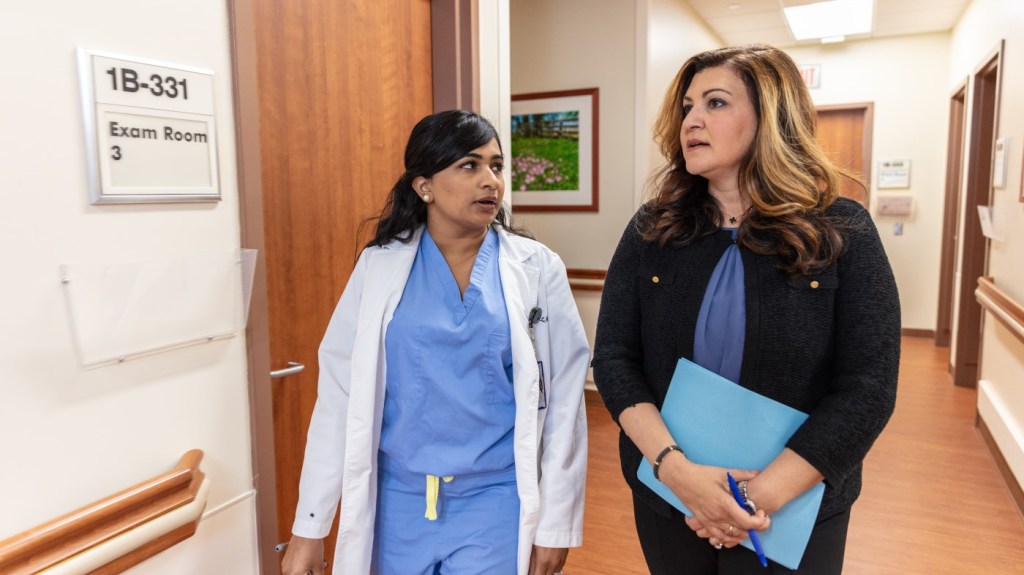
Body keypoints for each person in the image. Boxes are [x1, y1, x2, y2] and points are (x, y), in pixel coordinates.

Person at [592, 44, 900, 574]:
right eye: (687, 106)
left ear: (771, 118)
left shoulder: (841, 231)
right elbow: (616, 360)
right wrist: (677, 472)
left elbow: (867, 388)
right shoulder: (653, 230)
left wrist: (755, 499)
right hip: (673, 497)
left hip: (795, 505)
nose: (691, 120)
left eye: (714, 103)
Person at [279, 109, 590, 575]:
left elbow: (564, 401)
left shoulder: (537, 268)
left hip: (496, 500)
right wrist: (309, 527)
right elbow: (338, 401)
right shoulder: (378, 268)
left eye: (496, 166)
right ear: (424, 185)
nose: (491, 181)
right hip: (396, 503)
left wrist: (556, 524)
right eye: (469, 165)